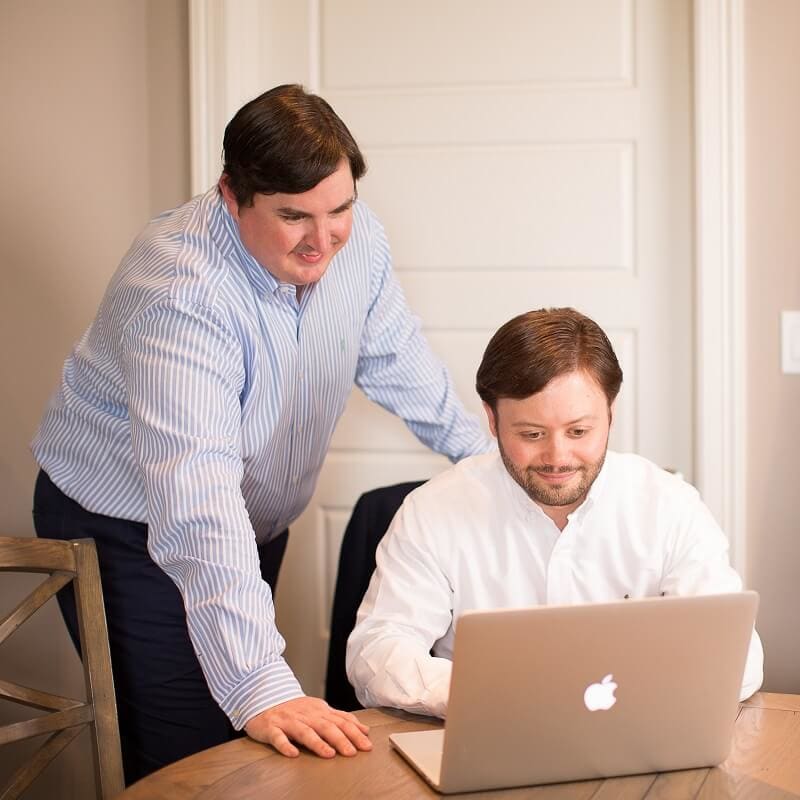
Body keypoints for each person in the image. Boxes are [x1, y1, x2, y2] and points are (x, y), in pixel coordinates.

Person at [31, 84, 491, 782]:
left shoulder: (355, 239)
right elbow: (196, 503)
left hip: (246, 519)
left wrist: (490, 459)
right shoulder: (179, 292)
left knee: (247, 747)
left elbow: (393, 353)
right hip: (127, 525)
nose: (323, 238)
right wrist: (261, 683)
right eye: (292, 217)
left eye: (339, 209)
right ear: (230, 195)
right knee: (192, 756)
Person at [346, 307, 764, 718]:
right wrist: (491, 696)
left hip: (636, 739)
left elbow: (738, 655)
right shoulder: (433, 511)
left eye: (579, 431)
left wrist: (631, 692)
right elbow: (377, 650)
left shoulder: (670, 505)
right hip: (487, 736)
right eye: (531, 434)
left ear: (611, 415)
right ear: (491, 420)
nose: (558, 457)